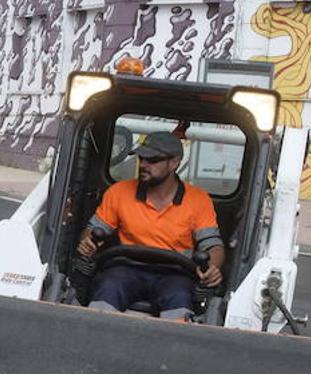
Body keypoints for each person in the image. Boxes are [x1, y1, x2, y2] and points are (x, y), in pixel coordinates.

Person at [77, 131, 225, 318]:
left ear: (174, 163)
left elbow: (213, 245)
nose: (144, 165)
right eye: (142, 158)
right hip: (125, 269)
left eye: (152, 160)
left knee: (180, 299)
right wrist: (87, 243)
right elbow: (91, 231)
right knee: (107, 289)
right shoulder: (118, 192)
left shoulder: (198, 200)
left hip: (175, 275)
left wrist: (212, 268)